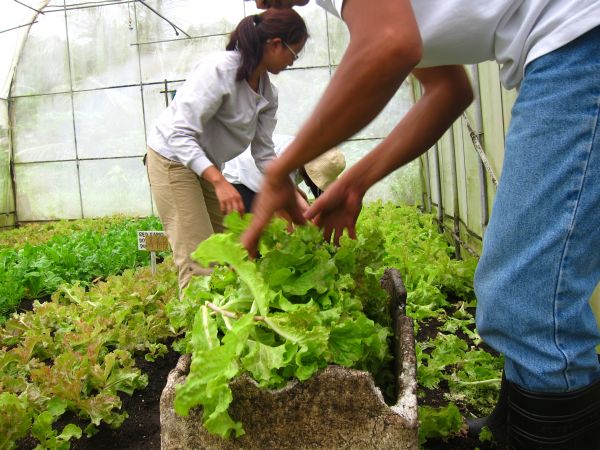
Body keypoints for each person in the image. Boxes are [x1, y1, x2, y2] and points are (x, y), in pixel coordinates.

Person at [242, 1, 600, 448]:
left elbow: (389, 46)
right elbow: (449, 91)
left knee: (528, 298)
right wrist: (355, 183)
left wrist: (280, 172)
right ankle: (514, 429)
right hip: (564, 46)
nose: (260, 4)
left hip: (580, 42)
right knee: (521, 292)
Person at [146, 8, 308, 292]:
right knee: (199, 260)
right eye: (294, 54)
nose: (293, 63)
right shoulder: (220, 70)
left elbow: (264, 153)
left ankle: (225, 322)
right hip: (171, 159)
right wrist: (219, 181)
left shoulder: (268, 94)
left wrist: (290, 190)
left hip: (206, 165)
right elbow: (179, 133)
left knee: (229, 252)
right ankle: (201, 331)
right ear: (274, 44)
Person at [222, 133, 346, 212]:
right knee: (260, 230)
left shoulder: (303, 155)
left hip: (261, 174)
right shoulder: (290, 156)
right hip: (241, 175)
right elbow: (282, 196)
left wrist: (297, 192)